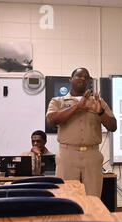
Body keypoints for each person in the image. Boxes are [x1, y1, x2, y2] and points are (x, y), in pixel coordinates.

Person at [46, 67, 116, 196]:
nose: (83, 78)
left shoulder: (98, 103)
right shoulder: (57, 101)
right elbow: (52, 120)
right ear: (70, 79)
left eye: (86, 77)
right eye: (79, 76)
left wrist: (100, 112)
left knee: (93, 198)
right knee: (66, 198)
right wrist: (77, 106)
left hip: (92, 155)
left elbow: (113, 126)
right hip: (67, 155)